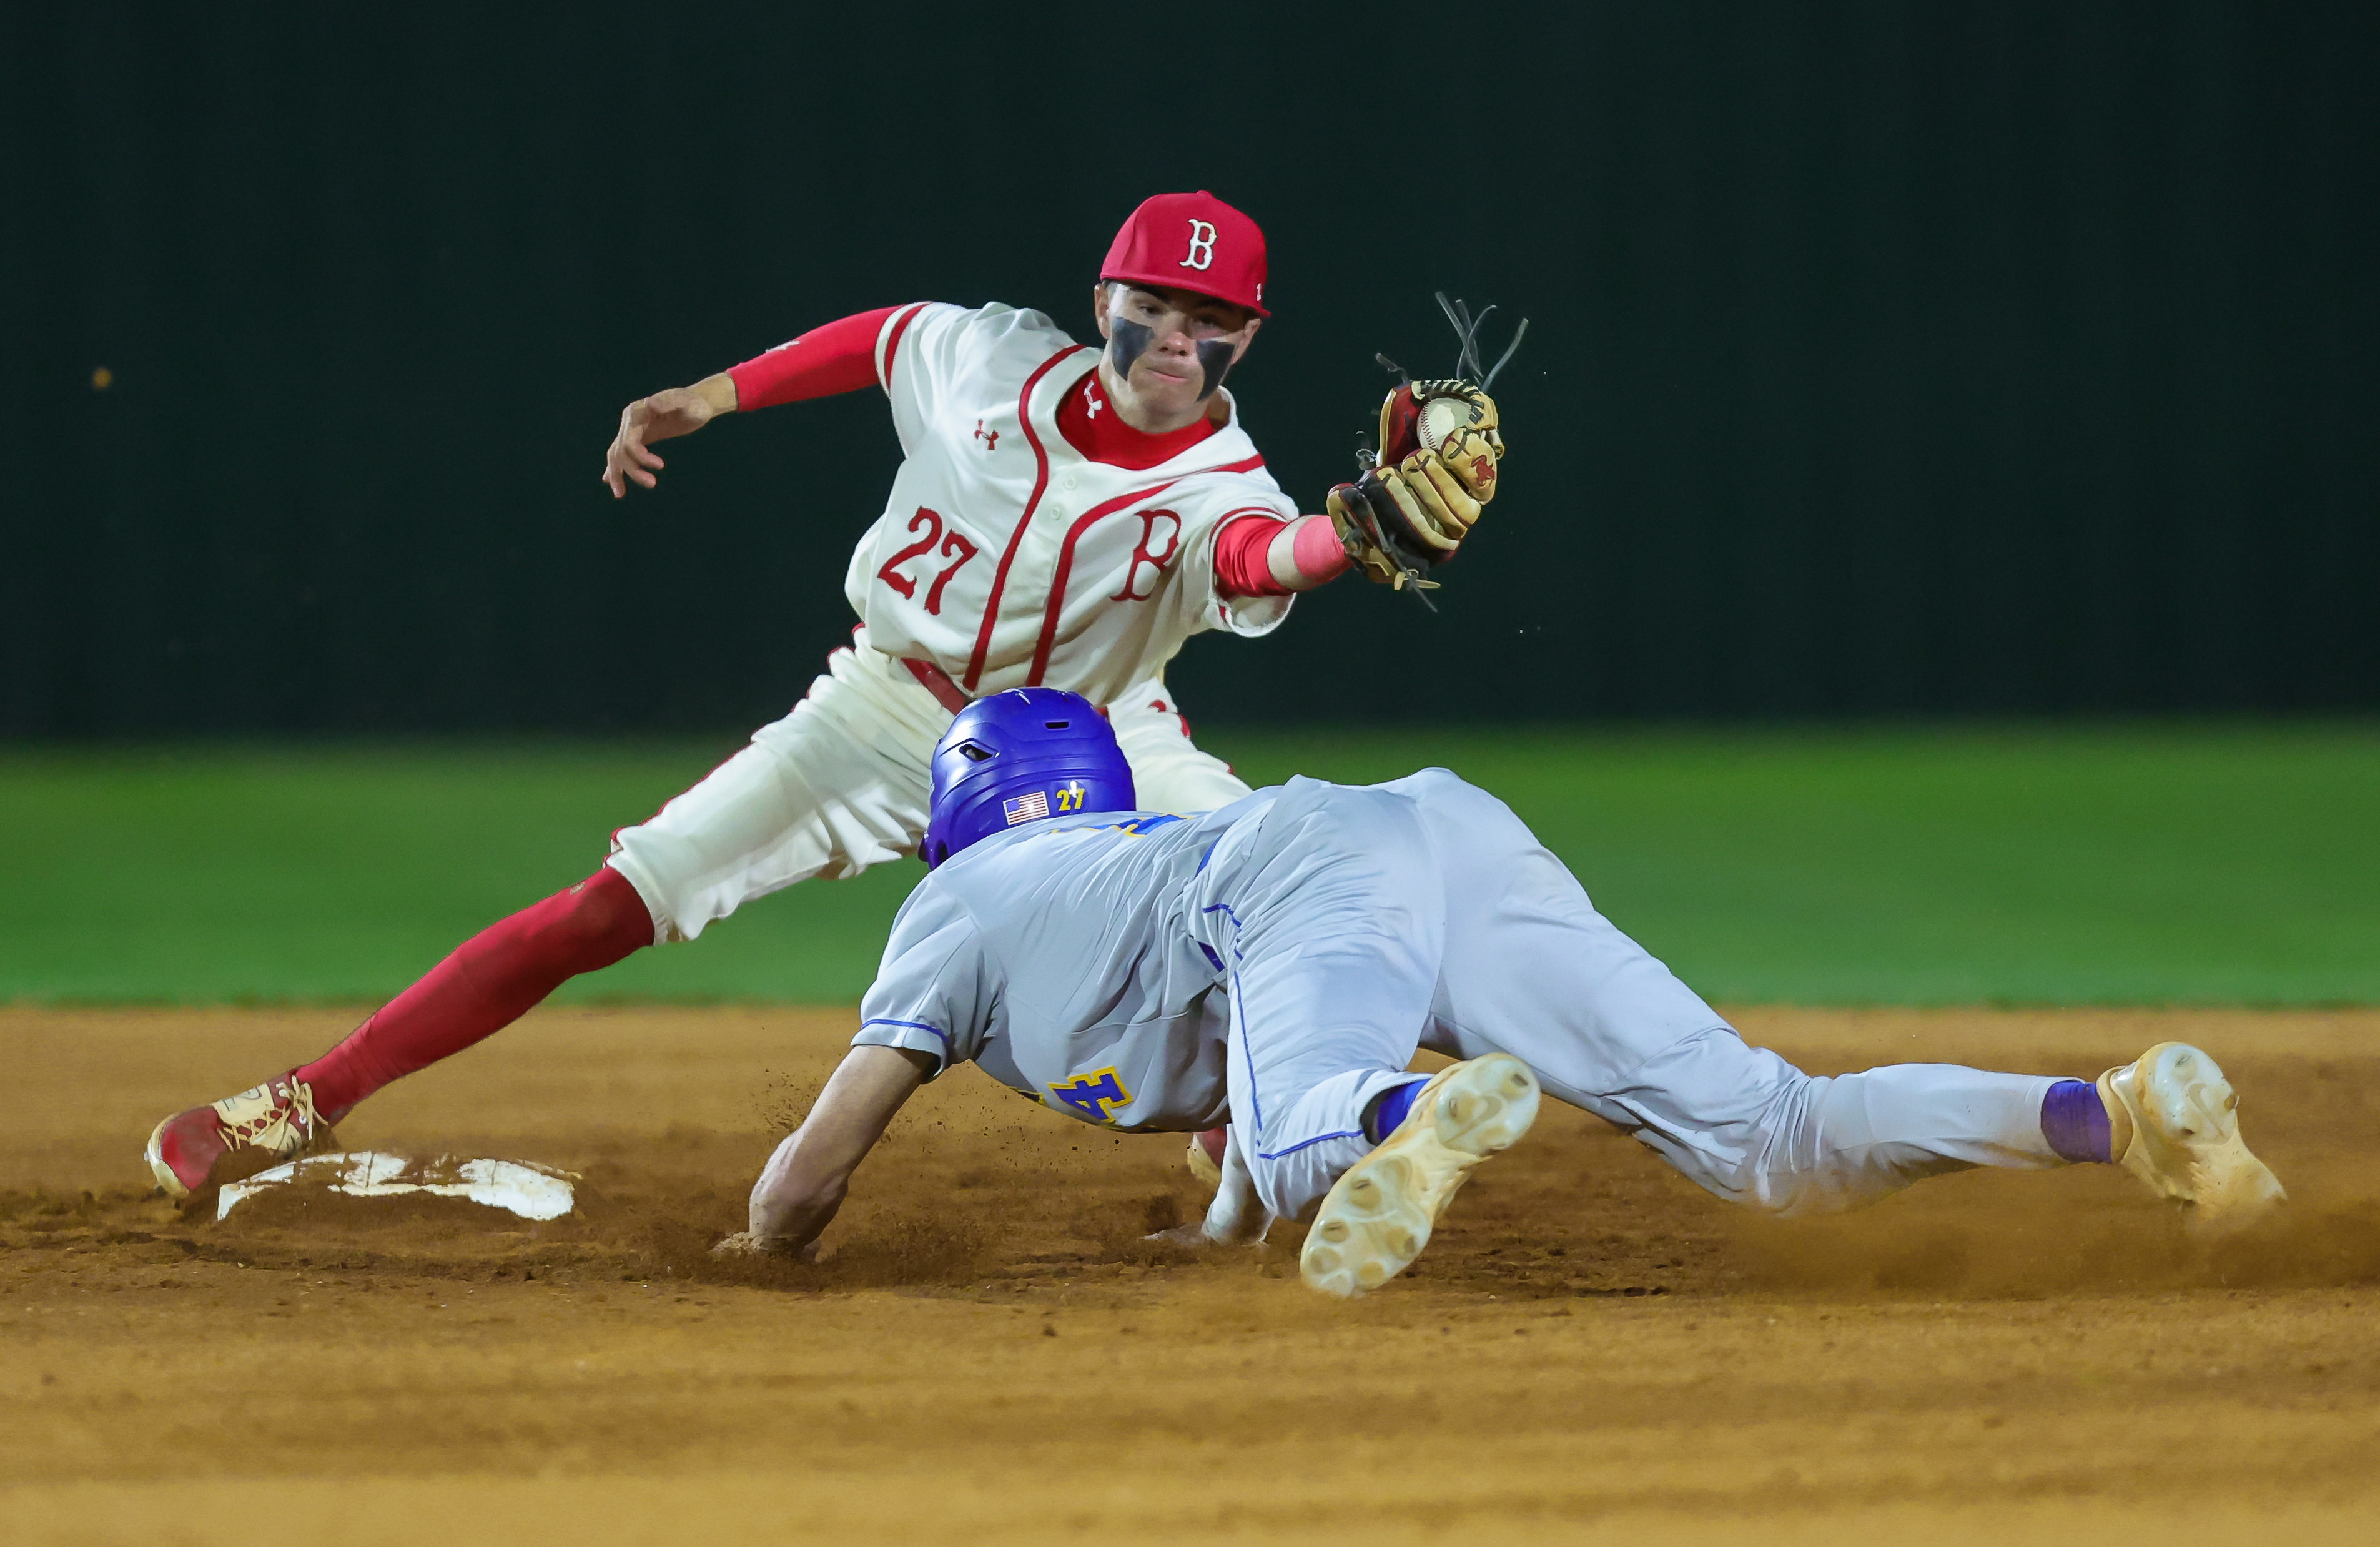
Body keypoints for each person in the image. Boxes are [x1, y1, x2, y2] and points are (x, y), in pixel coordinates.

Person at [146, 192, 1499, 1199]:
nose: (1175, 335)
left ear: (1249, 338)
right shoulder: (989, 358)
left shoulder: (1223, 484)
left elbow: (1271, 554)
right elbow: (879, 339)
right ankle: (298, 1104)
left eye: (1212, 320)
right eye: (1156, 303)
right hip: (882, 711)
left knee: (1281, 885)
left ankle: (1296, 1123)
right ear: (1105, 298)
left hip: (1099, 747)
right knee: (611, 903)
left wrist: (1354, 535)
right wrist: (713, 395)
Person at [719, 688, 2286, 1298]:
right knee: (1772, 1133)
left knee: (1321, 1125)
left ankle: (1417, 1107)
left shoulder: (956, 900)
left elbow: (817, 1166)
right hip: (1437, 831)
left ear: (965, 809)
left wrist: (758, 1243)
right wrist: (1214, 1232)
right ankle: (2110, 1114)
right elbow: (1245, 1071)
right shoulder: (1126, 852)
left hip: (1291, 870)